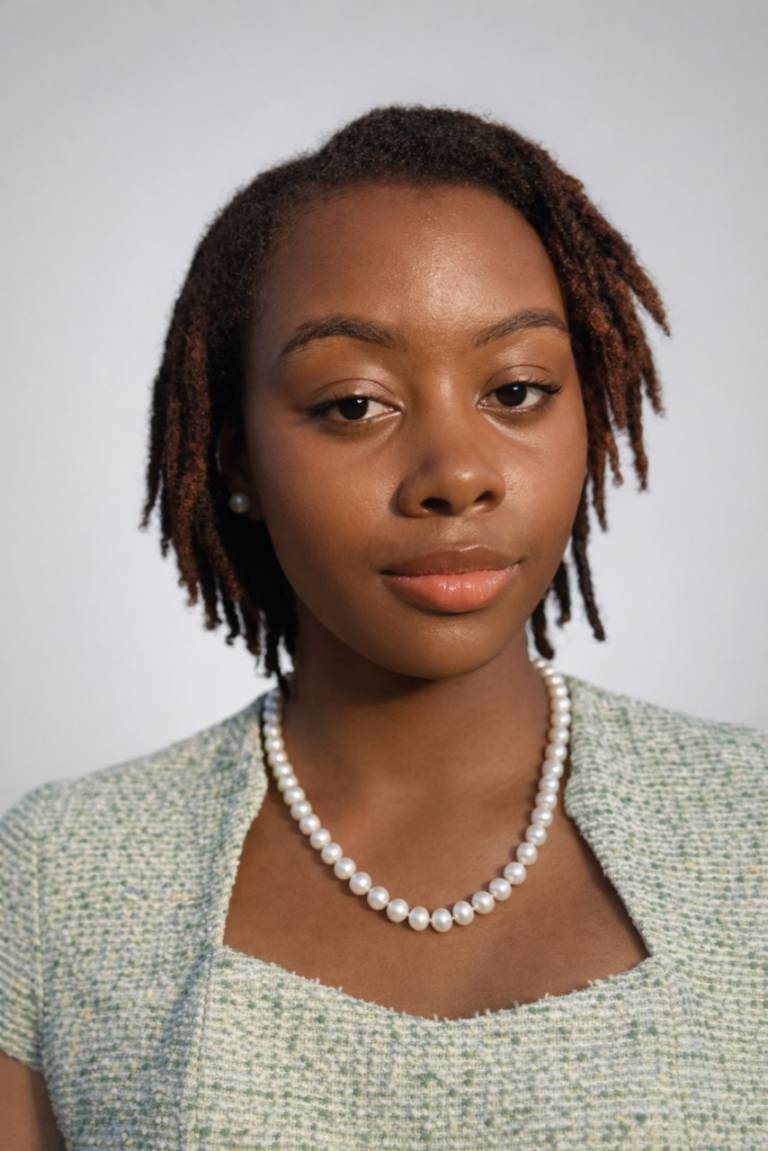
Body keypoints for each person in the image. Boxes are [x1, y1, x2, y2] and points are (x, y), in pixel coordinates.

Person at [1, 102, 765, 1150]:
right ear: (235, 456)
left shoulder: (749, 823)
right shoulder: (61, 878)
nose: (456, 473)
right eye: (355, 403)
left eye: (517, 389)